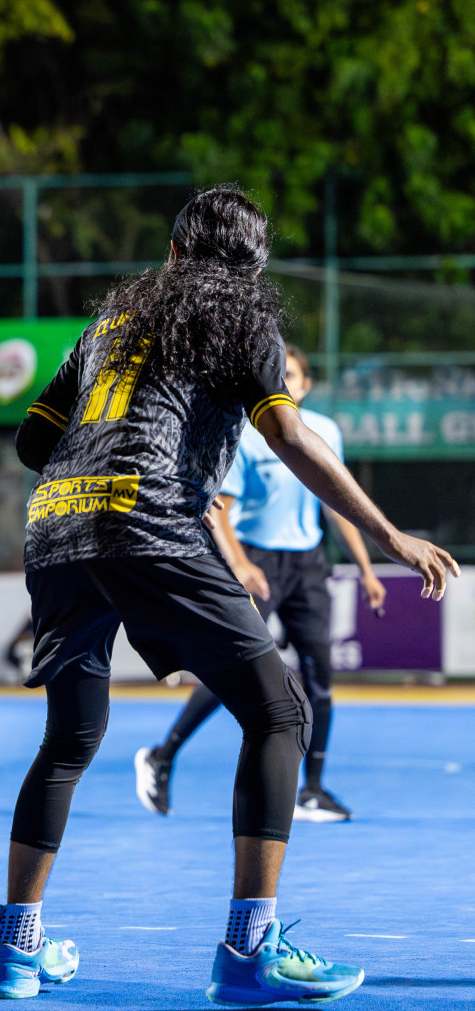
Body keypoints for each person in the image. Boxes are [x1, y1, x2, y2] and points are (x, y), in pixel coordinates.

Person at [0, 187, 458, 1004]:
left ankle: (15, 951)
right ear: (253, 267)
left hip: (54, 529)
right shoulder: (242, 319)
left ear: (175, 251)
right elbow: (289, 434)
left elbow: (31, 441)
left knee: (70, 741)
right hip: (148, 522)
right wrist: (387, 535)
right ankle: (248, 952)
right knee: (280, 712)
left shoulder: (112, 319)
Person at [136, 345, 386, 824]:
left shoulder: (325, 431)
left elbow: (338, 506)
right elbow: (220, 509)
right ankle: (162, 755)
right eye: (280, 375)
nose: (286, 383)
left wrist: (368, 569)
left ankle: (311, 790)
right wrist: (241, 565)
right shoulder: (250, 433)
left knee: (320, 679)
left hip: (308, 565)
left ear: (307, 385)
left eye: (293, 376)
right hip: (258, 561)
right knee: (235, 667)